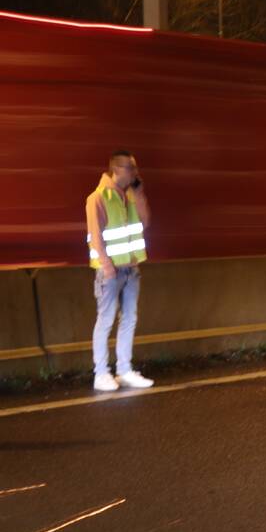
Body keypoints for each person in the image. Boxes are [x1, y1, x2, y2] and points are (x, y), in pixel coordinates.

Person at [85, 150, 154, 391]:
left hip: (131, 269)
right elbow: (95, 237)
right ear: (116, 169)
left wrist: (139, 192)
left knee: (129, 319)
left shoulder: (131, 195)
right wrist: (107, 267)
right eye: (130, 168)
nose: (135, 172)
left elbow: (145, 222)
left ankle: (124, 370)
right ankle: (101, 373)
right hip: (111, 272)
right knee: (105, 321)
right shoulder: (97, 198)